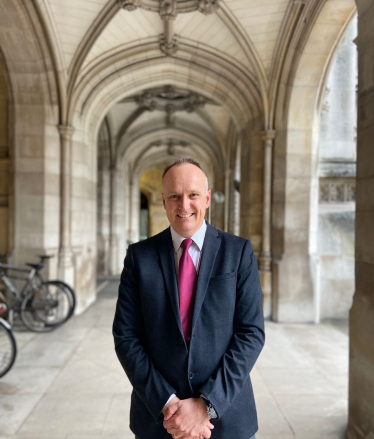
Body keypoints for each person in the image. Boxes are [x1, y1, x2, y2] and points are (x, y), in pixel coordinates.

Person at [113, 158, 265, 439]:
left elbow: (251, 333)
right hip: (160, 421)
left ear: (206, 198)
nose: (184, 206)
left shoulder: (238, 252)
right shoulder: (139, 257)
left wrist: (207, 404)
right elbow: (126, 337)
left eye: (193, 195)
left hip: (227, 418)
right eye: (175, 196)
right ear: (163, 201)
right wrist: (168, 403)